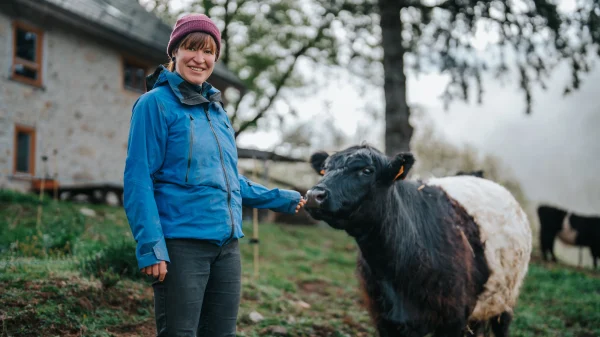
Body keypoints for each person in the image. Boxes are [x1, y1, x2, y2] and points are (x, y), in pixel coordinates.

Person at [123, 13, 306, 337]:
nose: (199, 58)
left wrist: (284, 199)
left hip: (227, 246)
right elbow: (138, 180)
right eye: (191, 48)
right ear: (174, 52)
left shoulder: (217, 112)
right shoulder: (154, 105)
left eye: (208, 51)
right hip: (182, 245)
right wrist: (152, 246)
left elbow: (229, 182)